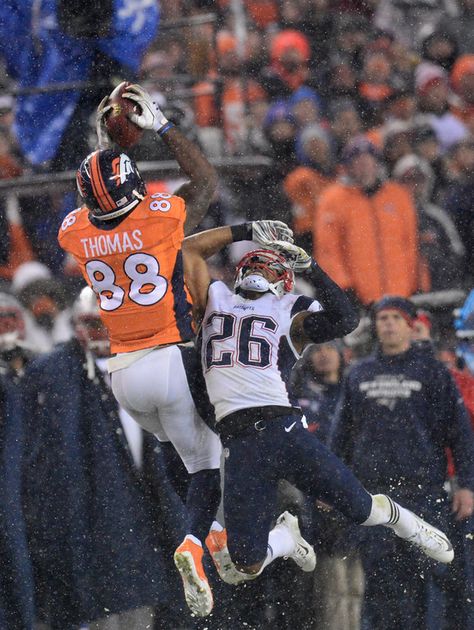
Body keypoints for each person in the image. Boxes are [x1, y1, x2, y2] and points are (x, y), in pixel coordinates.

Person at [57, 82, 293, 618]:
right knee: (210, 463)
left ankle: (213, 535)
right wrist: (160, 126)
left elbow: (91, 201)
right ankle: (197, 541)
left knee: (182, 458)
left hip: (124, 376)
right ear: (135, 190)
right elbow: (206, 179)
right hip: (167, 357)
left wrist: (105, 148)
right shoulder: (159, 219)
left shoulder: (75, 231)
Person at [180, 229, 455, 616]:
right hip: (239, 441)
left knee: (359, 509)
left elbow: (346, 318)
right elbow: (189, 246)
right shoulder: (213, 297)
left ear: (285, 279)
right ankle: (287, 538)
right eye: (255, 261)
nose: (262, 269)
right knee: (244, 564)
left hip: (283, 429)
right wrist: (247, 230)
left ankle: (406, 521)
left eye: (271, 265)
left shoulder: (288, 311)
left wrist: (313, 266)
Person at [22, 286, 189, 629]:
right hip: (85, 544)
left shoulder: (145, 367)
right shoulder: (53, 376)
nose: (99, 333)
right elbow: (47, 473)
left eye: (106, 324)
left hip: (139, 542)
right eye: (92, 324)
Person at [330, 295, 474, 629]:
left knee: (428, 579)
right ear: (375, 326)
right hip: (375, 496)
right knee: (379, 582)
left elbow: (460, 435)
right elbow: (341, 437)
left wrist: (467, 486)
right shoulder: (358, 374)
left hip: (424, 493)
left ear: (410, 326)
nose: (389, 324)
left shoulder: (433, 372)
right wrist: (332, 485)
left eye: (396, 317)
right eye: (383, 318)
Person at [313, 137, 420, 307]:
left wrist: (415, 283)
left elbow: (410, 245)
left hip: (400, 295)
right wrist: (343, 287)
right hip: (358, 298)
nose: (364, 165)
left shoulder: (398, 196)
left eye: (368, 159)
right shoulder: (332, 200)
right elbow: (328, 250)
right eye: (357, 160)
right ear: (347, 166)